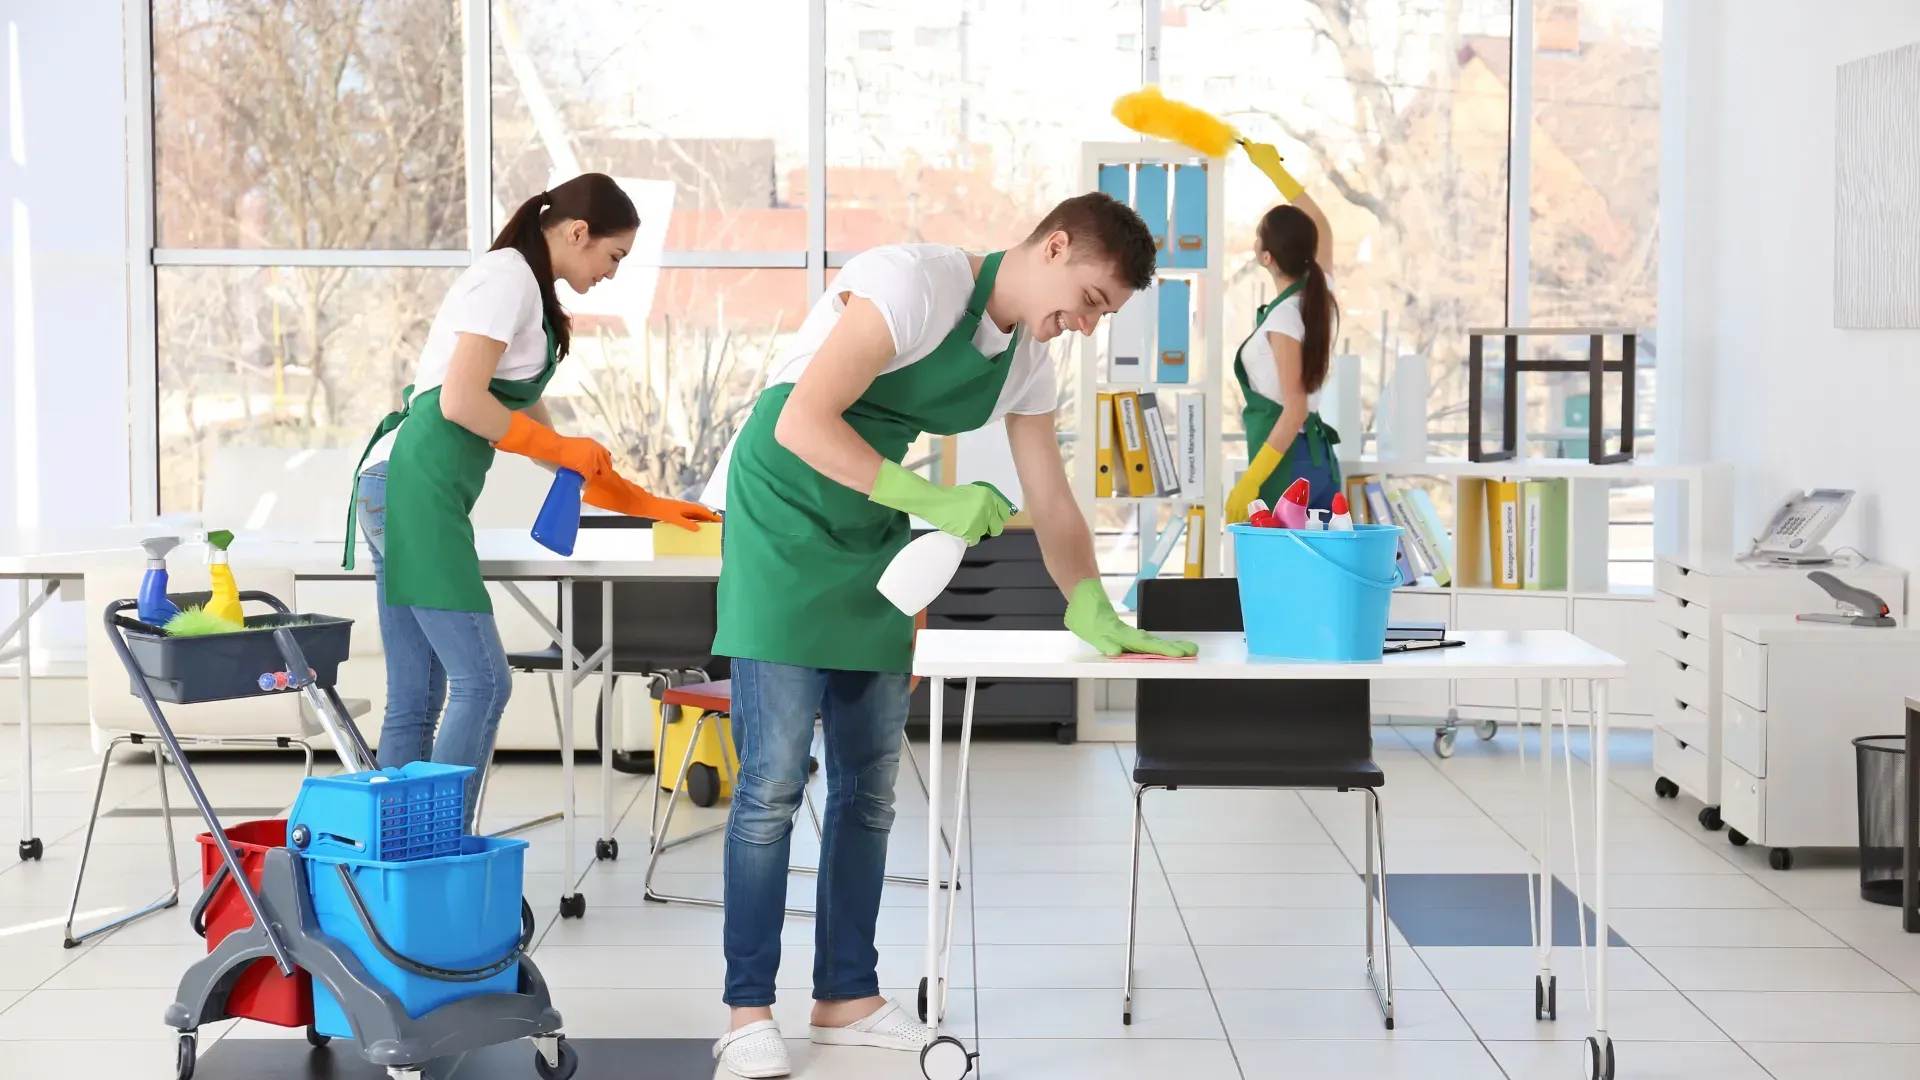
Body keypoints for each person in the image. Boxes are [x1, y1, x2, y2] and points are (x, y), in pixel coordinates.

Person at [703, 193, 1198, 1078]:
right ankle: (747, 1013)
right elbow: (800, 421)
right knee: (774, 784)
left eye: (1103, 316)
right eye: (1090, 300)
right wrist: (934, 500)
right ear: (1053, 246)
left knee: (871, 784)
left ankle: (846, 997)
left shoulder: (1026, 362)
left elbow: (1050, 497)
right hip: (786, 507)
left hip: (873, 527)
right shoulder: (913, 282)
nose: (1084, 326)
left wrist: (1091, 601)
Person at [341, 172, 718, 827]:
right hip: (411, 487)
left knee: (416, 694)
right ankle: (439, 845)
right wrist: (567, 452)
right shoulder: (509, 277)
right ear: (578, 233)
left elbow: (549, 447)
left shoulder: (529, 295)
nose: (612, 272)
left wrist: (655, 506)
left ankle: (392, 854)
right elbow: (460, 401)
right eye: (613, 256)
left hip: (397, 486)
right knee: (483, 681)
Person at [1224, 153, 1344, 522]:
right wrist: (1273, 168)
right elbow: (1321, 222)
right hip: (1317, 459)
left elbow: (1293, 410)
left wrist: (1250, 482)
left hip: (1286, 464)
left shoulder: (1285, 318)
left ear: (1266, 258)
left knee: (1281, 574)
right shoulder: (1318, 295)